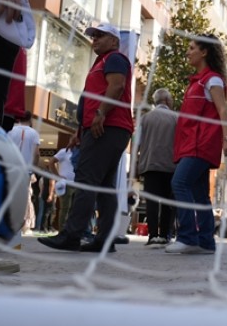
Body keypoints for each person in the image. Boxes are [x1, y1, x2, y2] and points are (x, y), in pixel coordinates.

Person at [39, 23, 133, 253]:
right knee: (104, 185)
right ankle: (104, 239)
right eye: (93, 37)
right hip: (105, 127)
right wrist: (79, 133)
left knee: (86, 180)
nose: (95, 40)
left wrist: (101, 113)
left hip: (106, 126)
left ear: (114, 41)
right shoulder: (101, 63)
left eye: (101, 36)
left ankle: (72, 234)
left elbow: (117, 86)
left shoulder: (114, 59)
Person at [164, 34, 227, 255]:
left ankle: (187, 237)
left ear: (204, 52)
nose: (188, 51)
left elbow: (223, 110)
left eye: (192, 48)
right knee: (200, 193)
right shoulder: (197, 82)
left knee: (179, 183)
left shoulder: (213, 80)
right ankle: (205, 242)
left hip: (200, 144)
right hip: (191, 144)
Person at [135, 88, 178, 247]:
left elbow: (137, 144)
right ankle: (165, 235)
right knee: (168, 202)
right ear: (167, 101)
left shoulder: (145, 119)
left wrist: (136, 164)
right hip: (170, 166)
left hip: (150, 165)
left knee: (152, 202)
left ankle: (153, 236)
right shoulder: (176, 118)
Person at [8, 111, 40, 233]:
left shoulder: (11, 131)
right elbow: (36, 154)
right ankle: (19, 229)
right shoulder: (34, 133)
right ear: (31, 120)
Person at [49, 140, 77, 227]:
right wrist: (58, 177)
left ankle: (71, 230)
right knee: (65, 208)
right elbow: (51, 162)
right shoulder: (64, 152)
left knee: (75, 209)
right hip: (66, 184)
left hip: (76, 183)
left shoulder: (80, 152)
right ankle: (62, 230)